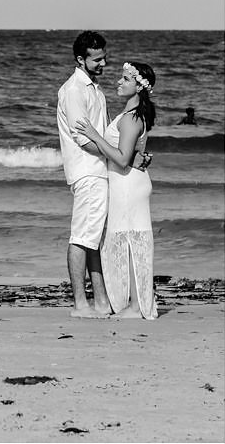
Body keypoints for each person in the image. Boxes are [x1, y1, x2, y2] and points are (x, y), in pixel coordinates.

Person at [76, 61, 158, 319]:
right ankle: (134, 302)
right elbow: (129, 154)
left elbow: (122, 159)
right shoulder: (129, 114)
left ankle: (136, 306)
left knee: (131, 243)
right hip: (127, 182)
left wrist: (94, 135)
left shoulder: (132, 118)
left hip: (128, 185)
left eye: (125, 79)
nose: (119, 82)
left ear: (139, 87)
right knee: (127, 242)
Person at [56, 31, 113, 318]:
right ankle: (80, 303)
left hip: (98, 170)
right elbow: (84, 139)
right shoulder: (74, 90)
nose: (103, 63)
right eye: (97, 59)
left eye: (104, 58)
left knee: (93, 237)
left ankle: (101, 301)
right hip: (88, 171)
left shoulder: (94, 89)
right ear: (81, 59)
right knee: (81, 237)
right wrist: (117, 155)